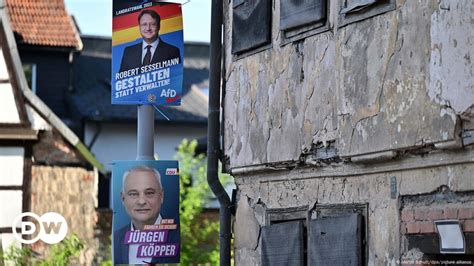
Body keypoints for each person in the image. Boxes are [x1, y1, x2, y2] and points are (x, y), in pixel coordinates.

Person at [113, 165, 179, 265]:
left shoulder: (176, 236)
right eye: (133, 194)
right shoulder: (116, 238)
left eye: (149, 193)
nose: (141, 201)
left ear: (161, 196)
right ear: (123, 198)